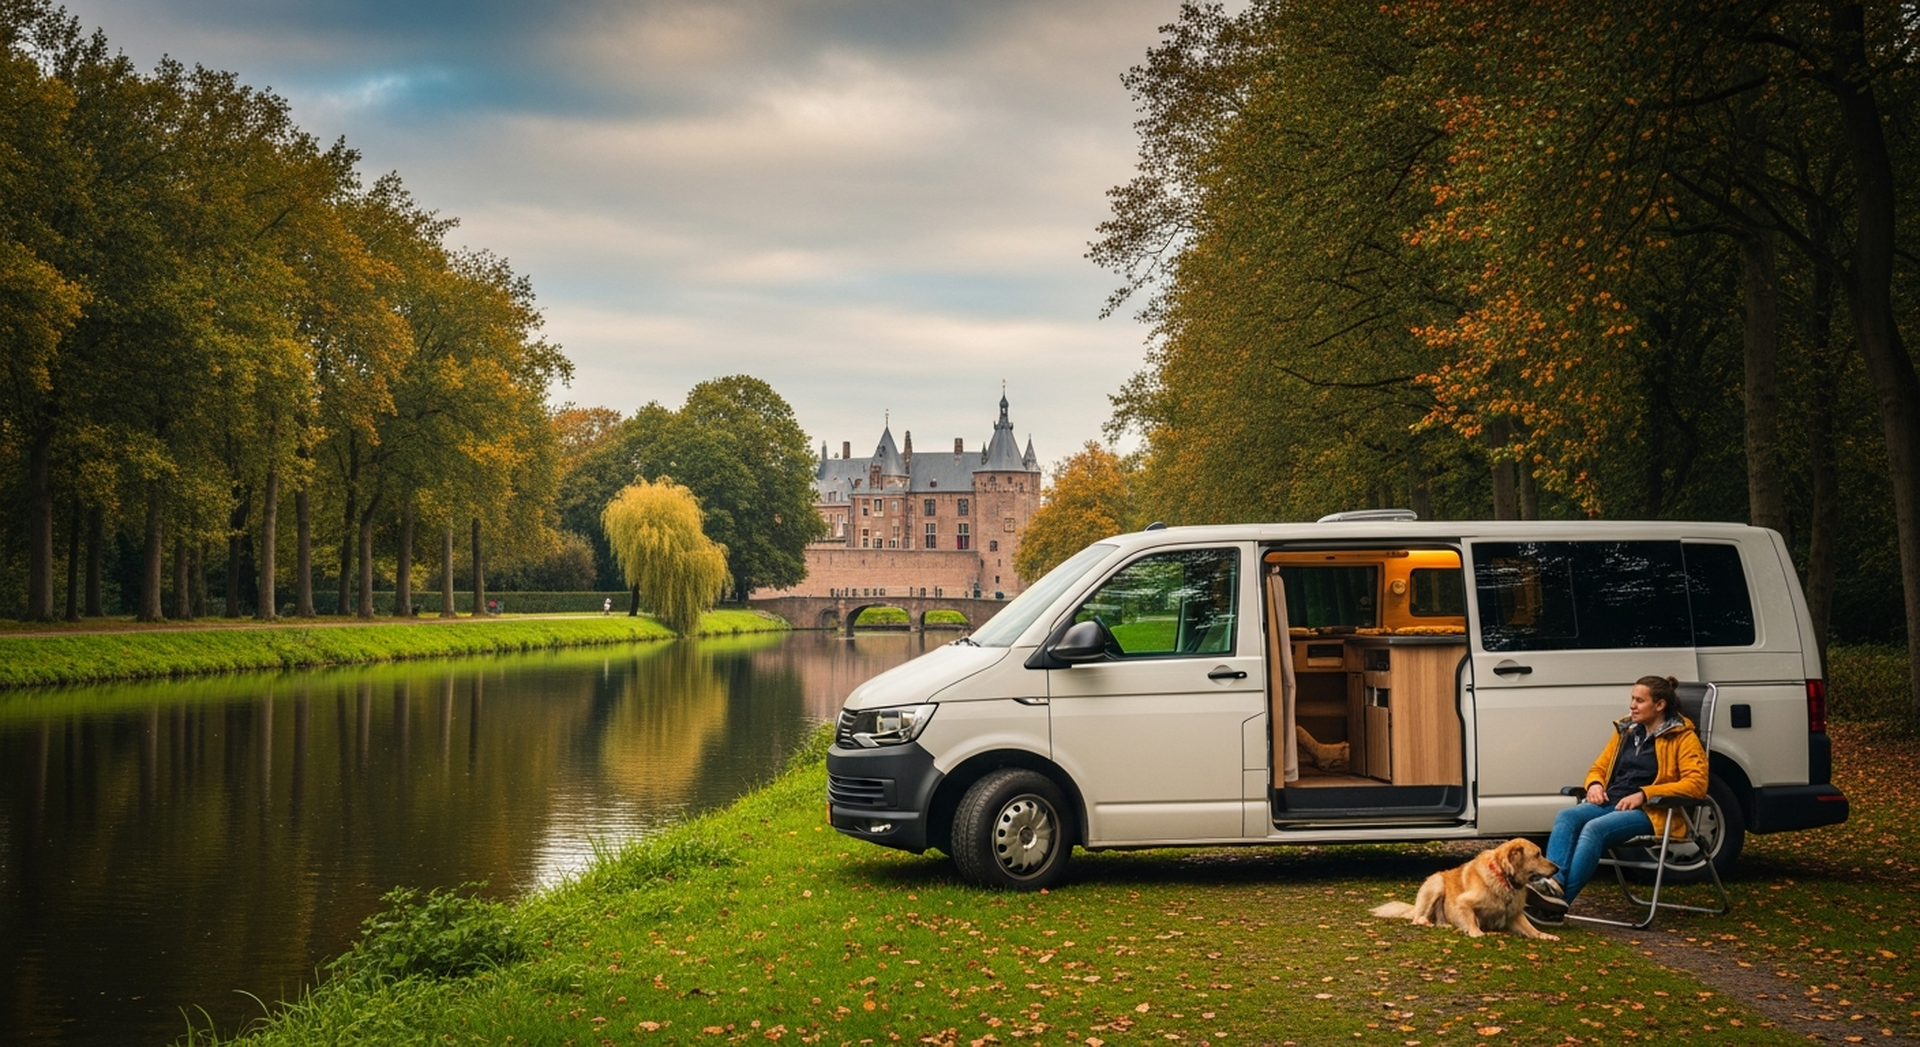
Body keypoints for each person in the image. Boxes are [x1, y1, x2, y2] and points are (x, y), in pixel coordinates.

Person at [1526, 675, 1709, 924]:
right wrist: (1594, 785)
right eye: (1632, 699)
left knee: (1594, 829)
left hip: (1652, 812)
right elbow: (1598, 767)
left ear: (1660, 705)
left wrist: (1645, 794)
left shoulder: (1682, 737)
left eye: (1639, 700)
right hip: (1611, 802)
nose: (1632, 705)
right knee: (1567, 817)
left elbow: (1697, 784)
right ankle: (1552, 888)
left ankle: (1556, 906)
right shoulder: (1626, 731)